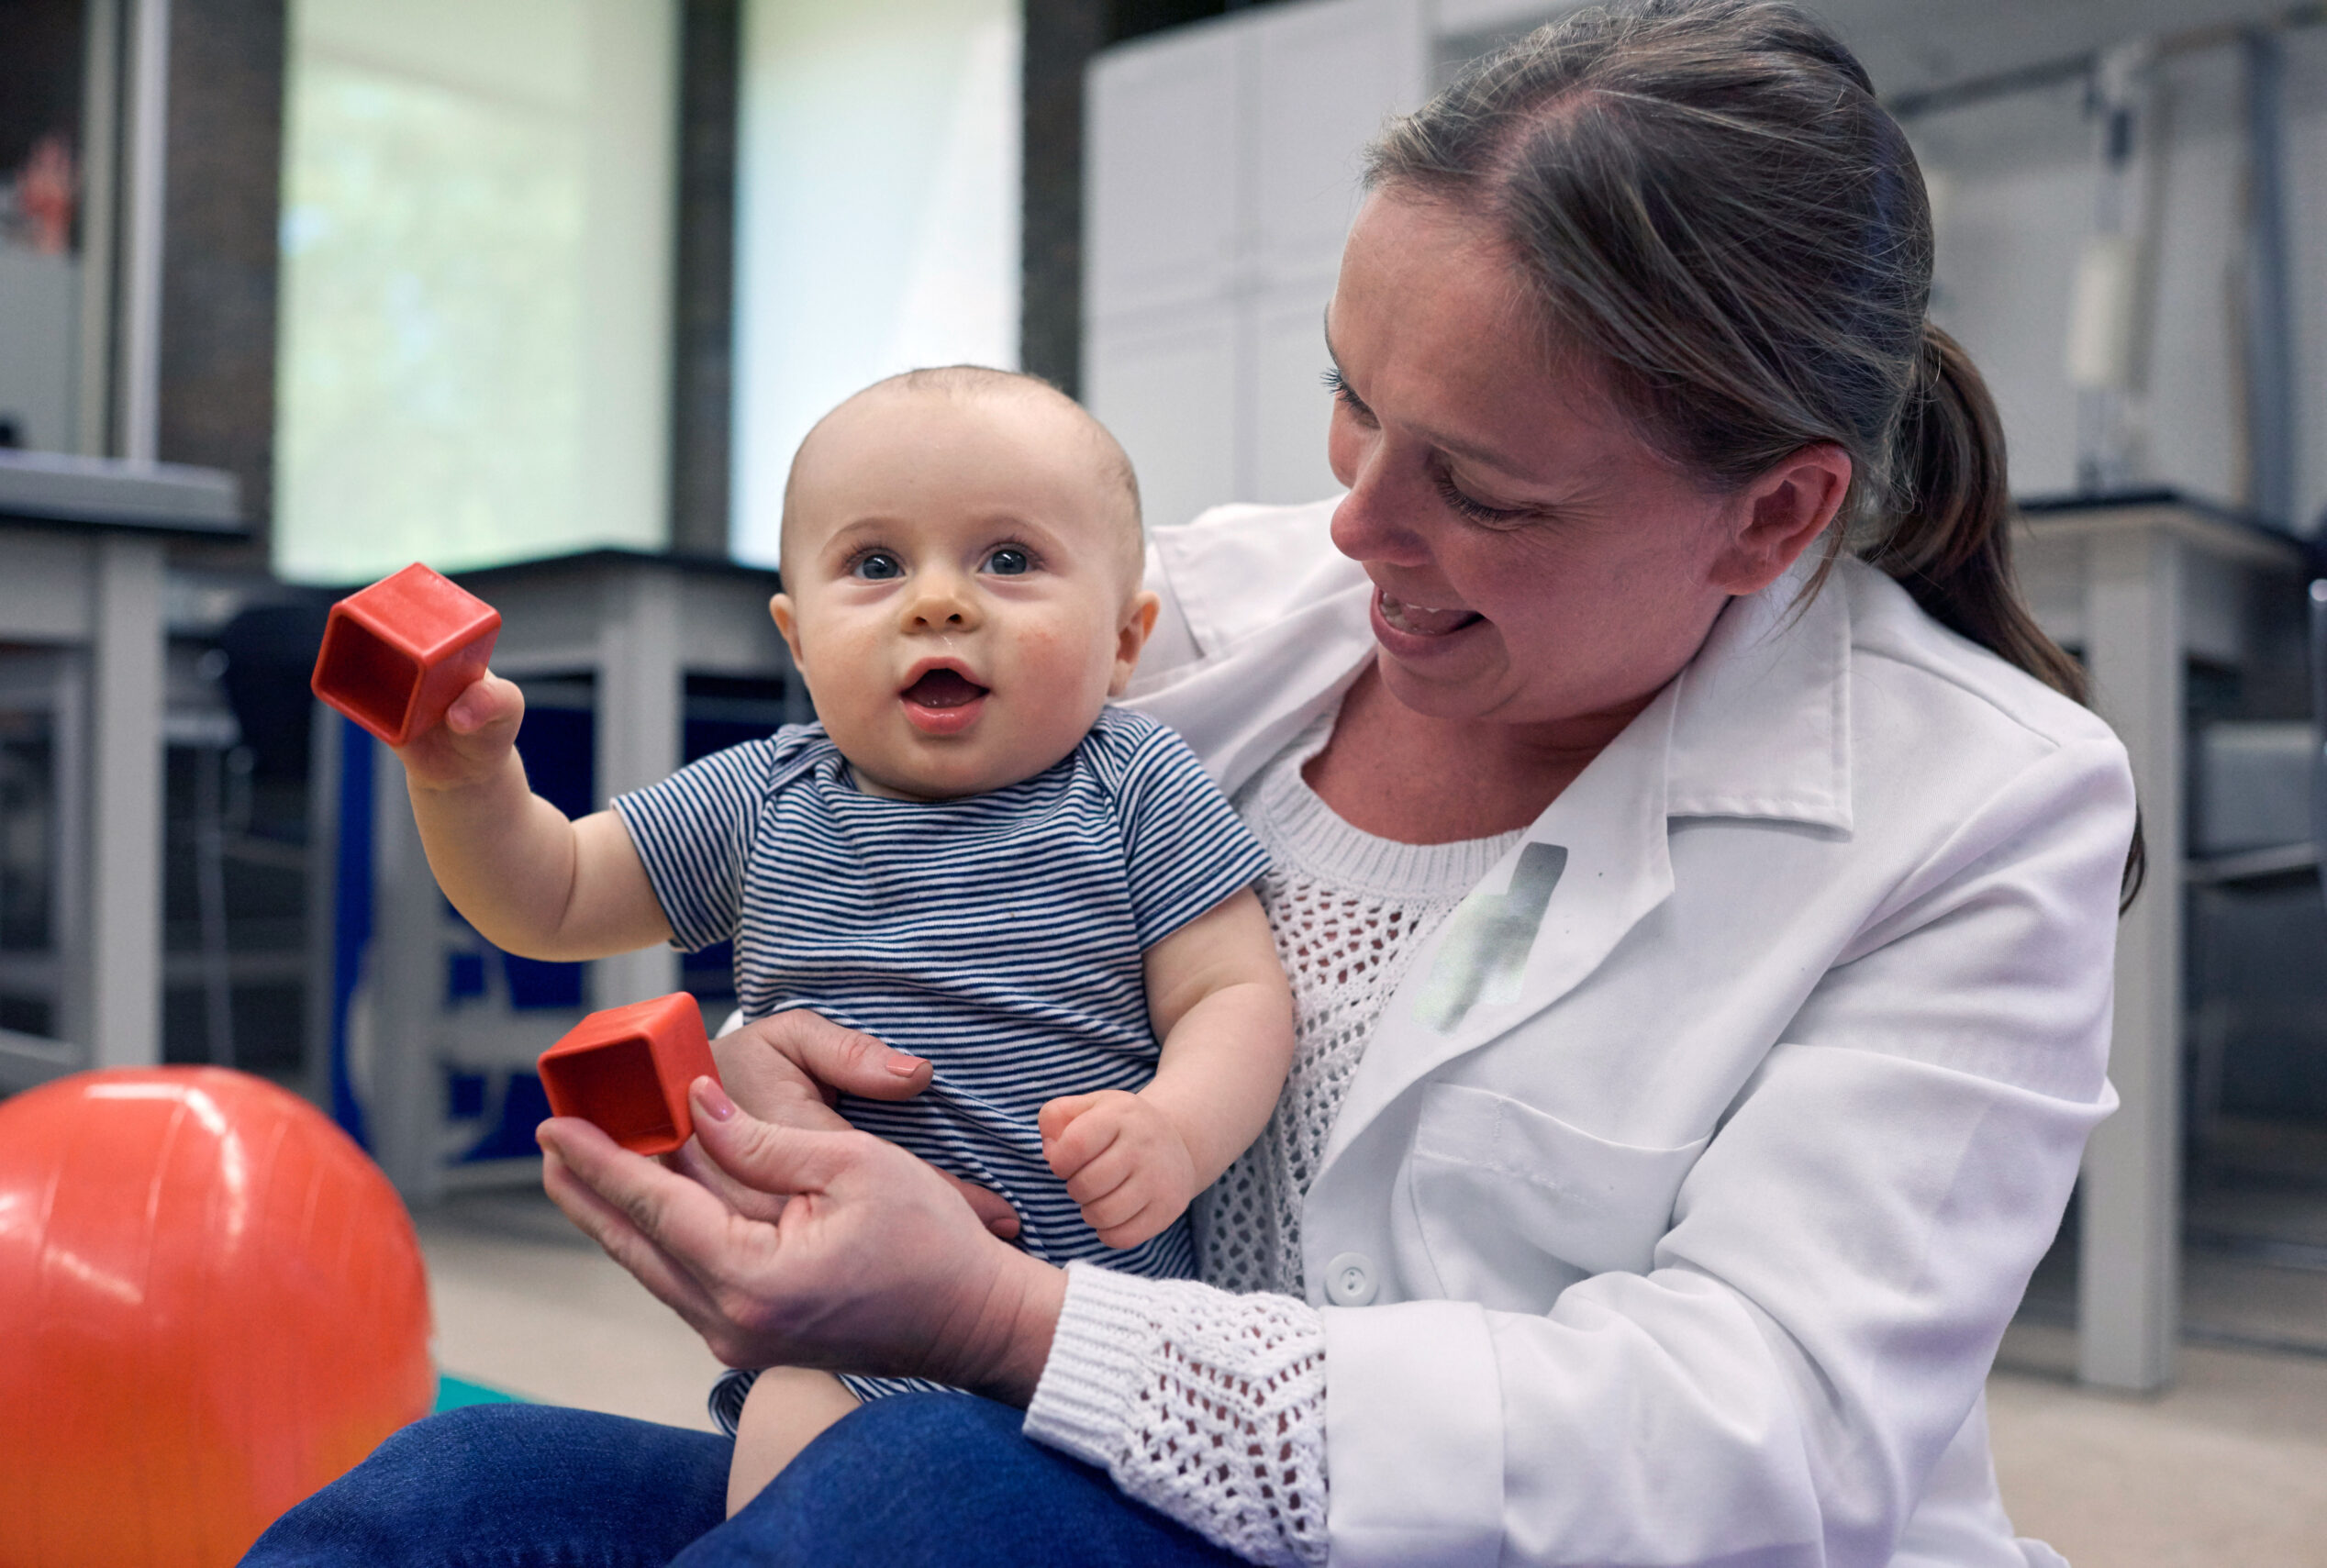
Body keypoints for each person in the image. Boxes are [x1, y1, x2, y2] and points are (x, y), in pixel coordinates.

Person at [243, 3, 2137, 1564]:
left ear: (1773, 511)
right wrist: (786, 1046)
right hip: (1046, 1461)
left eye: (1478, 486)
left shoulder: (1979, 808)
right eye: (1350, 397)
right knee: (444, 1498)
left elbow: (1753, 1442)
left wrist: (999, 1316)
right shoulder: (1207, 615)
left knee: (906, 1506)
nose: (1354, 521)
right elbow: (853, 878)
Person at [377, 366, 1295, 1510]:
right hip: (838, 1339)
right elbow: (551, 894)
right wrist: (464, 780)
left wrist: (1174, 1128)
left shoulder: (1135, 785)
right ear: (799, 639)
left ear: (1123, 640)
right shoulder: (771, 795)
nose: (939, 602)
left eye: (1008, 559)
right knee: (790, 1480)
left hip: (1082, 1352)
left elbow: (1234, 995)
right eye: (875, 564)